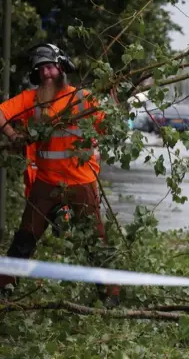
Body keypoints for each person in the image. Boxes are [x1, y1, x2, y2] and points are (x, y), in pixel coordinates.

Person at [0, 43, 120, 307]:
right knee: (25, 237)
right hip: (46, 182)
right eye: (41, 69)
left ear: (62, 67)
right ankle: (5, 286)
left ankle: (110, 296)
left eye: (51, 66)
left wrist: (113, 102)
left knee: (95, 239)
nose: (46, 73)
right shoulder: (31, 100)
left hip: (81, 182)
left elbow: (108, 125)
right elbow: (1, 112)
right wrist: (13, 135)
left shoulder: (83, 98)